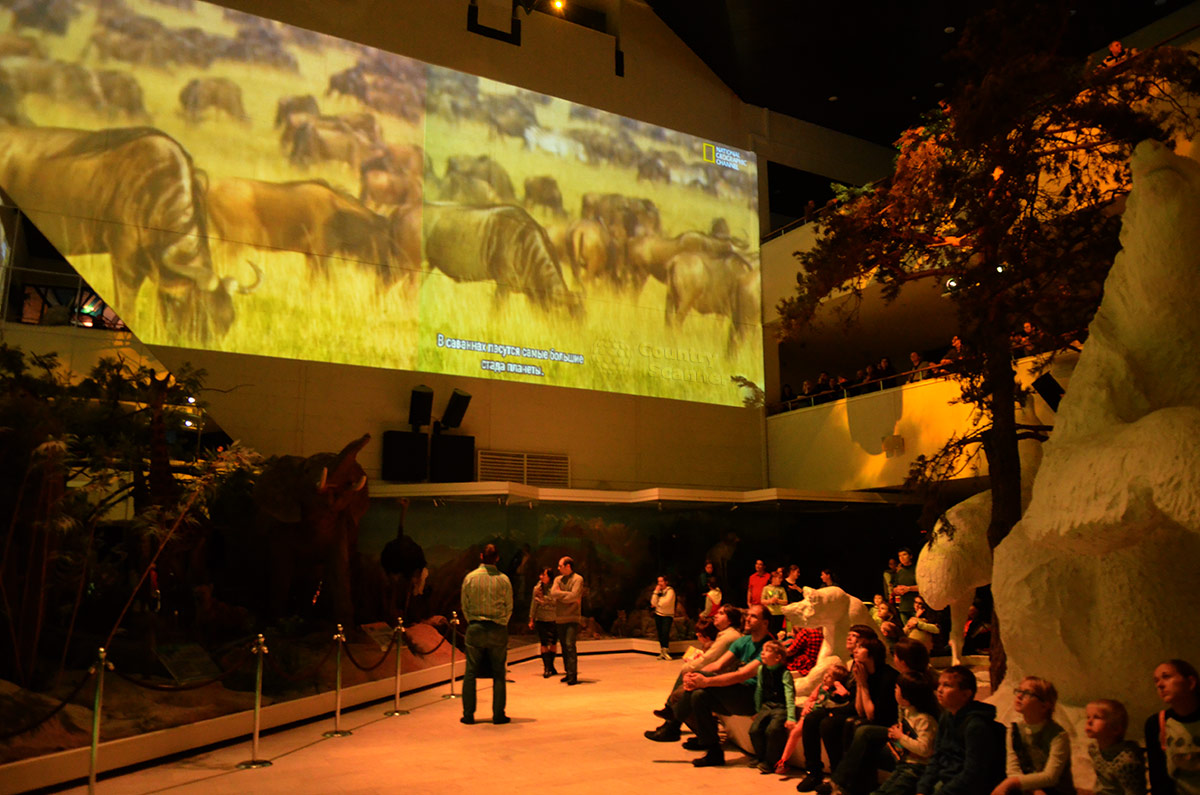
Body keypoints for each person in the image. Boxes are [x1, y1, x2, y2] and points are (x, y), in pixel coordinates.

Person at [670, 604, 771, 767]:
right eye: (747, 615)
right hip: (735, 693)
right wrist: (695, 675)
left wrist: (705, 680)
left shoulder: (769, 647)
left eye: (753, 616)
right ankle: (714, 752)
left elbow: (742, 675)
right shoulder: (743, 641)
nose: (747, 619)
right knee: (698, 696)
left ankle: (673, 723)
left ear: (765, 623)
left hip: (753, 698)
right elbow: (717, 665)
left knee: (701, 686)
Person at [795, 624, 880, 791]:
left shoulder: (868, 665)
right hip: (847, 705)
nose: (849, 638)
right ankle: (813, 771)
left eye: (855, 636)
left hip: (857, 708)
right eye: (849, 634)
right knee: (811, 718)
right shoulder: (852, 663)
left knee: (828, 723)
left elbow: (857, 698)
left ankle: (837, 776)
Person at [645, 605, 744, 741]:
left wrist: (688, 668)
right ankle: (673, 724)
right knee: (688, 684)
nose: (716, 615)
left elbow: (709, 660)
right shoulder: (727, 635)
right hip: (722, 675)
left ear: (730, 620)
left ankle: (676, 723)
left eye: (721, 613)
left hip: (725, 679)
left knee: (685, 690)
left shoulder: (729, 637)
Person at [825, 635, 901, 794]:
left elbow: (874, 716)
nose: (855, 650)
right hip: (874, 719)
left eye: (860, 647)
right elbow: (860, 710)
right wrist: (860, 683)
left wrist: (864, 684)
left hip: (890, 724)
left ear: (872, 653)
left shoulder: (888, 676)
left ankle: (839, 782)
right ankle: (851, 785)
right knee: (849, 722)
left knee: (862, 728)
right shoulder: (865, 674)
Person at [915, 665, 1004, 795]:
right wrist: (923, 788)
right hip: (946, 780)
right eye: (939, 684)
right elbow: (937, 756)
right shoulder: (947, 716)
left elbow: (972, 773)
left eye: (947, 686)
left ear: (965, 694)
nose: (939, 690)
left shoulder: (977, 726)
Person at [459, 543, 513, 725]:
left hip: (475, 629)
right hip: (497, 629)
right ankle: (498, 715)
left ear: (481, 556)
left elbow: (464, 605)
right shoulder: (504, 580)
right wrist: (501, 622)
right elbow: (509, 606)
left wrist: (472, 621)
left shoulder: (470, 578)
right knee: (499, 673)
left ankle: (468, 715)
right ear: (497, 558)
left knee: (470, 672)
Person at [992, 676, 1073, 795]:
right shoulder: (1013, 730)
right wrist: (1033, 790)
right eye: (1019, 691)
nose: (1019, 696)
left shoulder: (1058, 736)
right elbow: (1013, 770)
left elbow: (1050, 777)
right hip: (1026, 788)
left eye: (1027, 693)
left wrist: (1011, 783)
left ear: (1044, 706)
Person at [870, 672, 940, 795]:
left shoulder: (924, 720)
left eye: (897, 688)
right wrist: (896, 736)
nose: (894, 690)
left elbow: (925, 749)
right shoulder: (906, 711)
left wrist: (900, 737)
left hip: (917, 767)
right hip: (904, 762)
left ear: (906, 698)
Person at [778, 663, 853, 773]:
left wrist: (837, 685)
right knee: (795, 732)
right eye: (826, 673)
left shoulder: (835, 691)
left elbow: (845, 695)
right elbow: (810, 699)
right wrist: (807, 705)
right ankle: (783, 760)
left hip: (823, 714)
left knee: (798, 731)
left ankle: (784, 760)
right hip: (810, 713)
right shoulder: (821, 686)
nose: (825, 676)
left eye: (830, 676)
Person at [1145, 658, 1200, 795]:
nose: (1159, 685)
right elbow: (1158, 778)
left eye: (1166, 677)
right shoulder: (1156, 723)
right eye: (1156, 681)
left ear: (1191, 682)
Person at [750, 640, 796, 773]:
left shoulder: (785, 673)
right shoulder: (761, 669)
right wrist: (757, 710)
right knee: (754, 730)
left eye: (767, 651)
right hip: (767, 706)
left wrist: (791, 717)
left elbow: (789, 694)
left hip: (781, 707)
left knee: (773, 730)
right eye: (763, 650)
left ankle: (771, 762)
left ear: (778, 657)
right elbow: (759, 690)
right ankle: (760, 757)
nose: (762, 653)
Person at [1086, 698, 1145, 795]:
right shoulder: (1093, 749)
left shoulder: (1126, 761)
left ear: (1116, 728)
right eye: (1088, 717)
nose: (1089, 721)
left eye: (1097, 717)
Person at [551, 556, 583, 685]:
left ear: (568, 566)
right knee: (564, 646)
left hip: (572, 617)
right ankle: (568, 672)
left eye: (560, 566)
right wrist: (567, 596)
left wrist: (561, 596)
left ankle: (573, 674)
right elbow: (553, 593)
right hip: (560, 617)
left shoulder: (578, 579)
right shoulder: (558, 579)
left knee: (570, 645)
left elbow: (574, 596)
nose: (558, 568)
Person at [528, 566, 559, 678]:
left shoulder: (556, 587)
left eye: (544, 575)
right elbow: (534, 604)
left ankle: (551, 665)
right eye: (540, 574)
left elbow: (556, 601)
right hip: (541, 618)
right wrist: (531, 619)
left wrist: (544, 599)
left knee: (554, 642)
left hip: (554, 618)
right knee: (544, 642)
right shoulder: (537, 588)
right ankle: (546, 667)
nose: (541, 577)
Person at [650, 575, 676, 660]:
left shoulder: (670, 591)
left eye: (661, 581)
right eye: (658, 581)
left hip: (667, 615)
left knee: (665, 632)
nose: (659, 583)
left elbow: (666, 603)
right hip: (658, 614)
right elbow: (653, 602)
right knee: (660, 633)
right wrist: (655, 592)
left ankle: (666, 651)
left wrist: (657, 603)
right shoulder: (658, 591)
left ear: (666, 582)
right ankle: (662, 651)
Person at [891, 548, 919, 623]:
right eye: (899, 556)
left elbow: (924, 587)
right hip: (903, 607)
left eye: (904, 555)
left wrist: (909, 588)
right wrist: (896, 590)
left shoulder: (917, 569)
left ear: (910, 556)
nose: (902, 558)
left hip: (916, 607)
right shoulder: (900, 572)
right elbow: (894, 587)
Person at [762, 568, 788, 636]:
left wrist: (778, 601)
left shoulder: (781, 589)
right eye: (779, 578)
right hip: (770, 613)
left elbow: (785, 601)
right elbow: (762, 601)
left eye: (781, 578)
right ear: (773, 578)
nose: (781, 580)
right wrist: (770, 601)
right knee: (770, 631)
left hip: (779, 613)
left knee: (778, 632)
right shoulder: (766, 588)